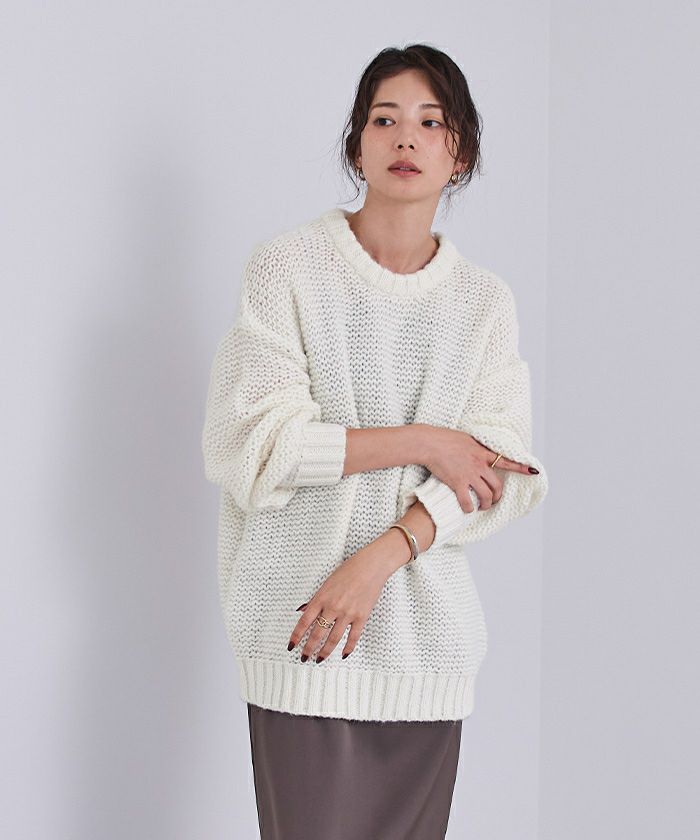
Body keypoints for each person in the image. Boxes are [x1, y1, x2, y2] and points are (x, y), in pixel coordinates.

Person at [201, 42, 549, 840]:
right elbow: (257, 445)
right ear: (356, 144)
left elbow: (503, 471)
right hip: (304, 635)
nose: (405, 138)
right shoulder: (287, 269)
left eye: (431, 122)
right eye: (385, 119)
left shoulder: (484, 303)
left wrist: (383, 555)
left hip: (427, 651)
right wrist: (427, 441)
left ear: (460, 155)